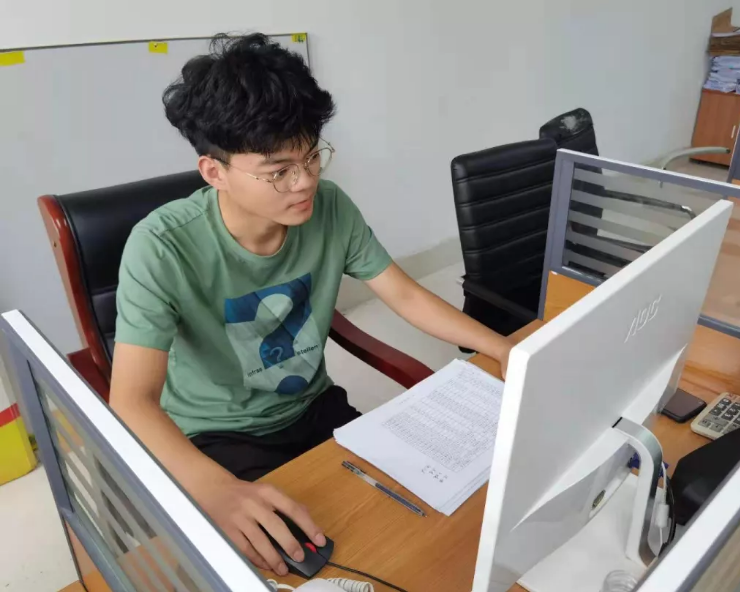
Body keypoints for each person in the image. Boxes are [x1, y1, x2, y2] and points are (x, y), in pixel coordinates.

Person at [110, 33, 514, 577]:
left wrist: (503, 348)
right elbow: (132, 401)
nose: (305, 182)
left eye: (311, 156)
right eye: (278, 171)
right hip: (218, 435)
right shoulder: (161, 246)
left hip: (315, 407)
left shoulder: (331, 208)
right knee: (293, 564)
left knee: (421, 523)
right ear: (214, 172)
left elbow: (404, 293)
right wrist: (214, 489)